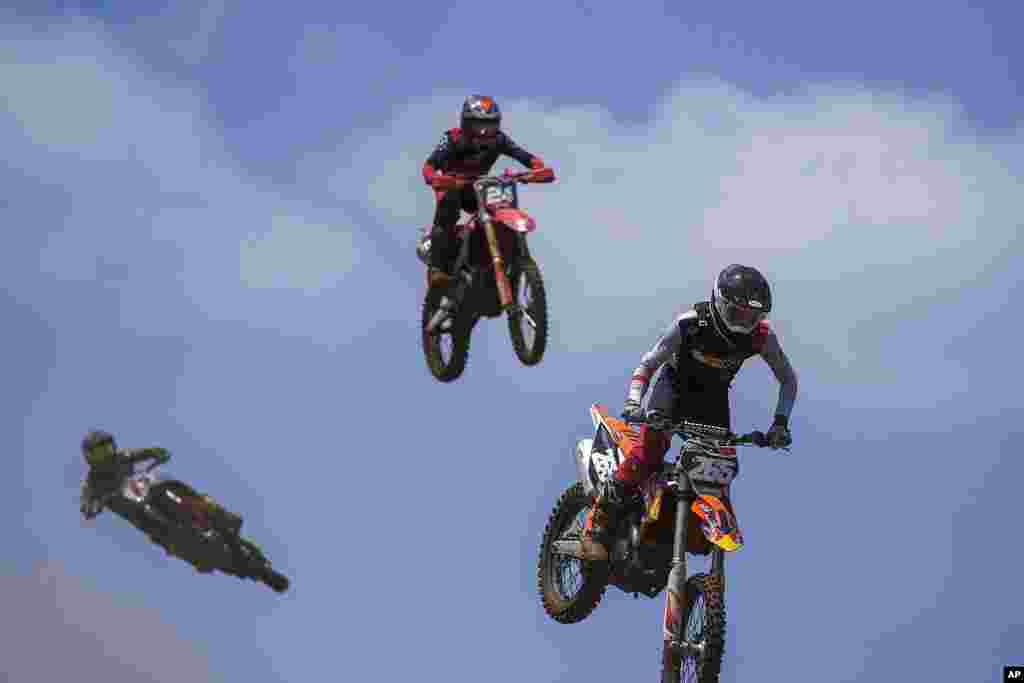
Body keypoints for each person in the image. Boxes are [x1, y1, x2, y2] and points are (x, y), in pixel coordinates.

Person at [582, 264, 799, 560]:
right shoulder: (691, 322)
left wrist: (780, 424)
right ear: (719, 302)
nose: (743, 323)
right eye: (738, 313)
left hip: (712, 399)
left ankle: (688, 535)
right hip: (672, 389)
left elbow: (788, 379)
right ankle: (597, 524)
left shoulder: (761, 337)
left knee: (720, 473)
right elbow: (649, 363)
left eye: (752, 317)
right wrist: (634, 401)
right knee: (648, 455)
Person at [421, 94, 554, 289]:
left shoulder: (499, 139)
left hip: (480, 186)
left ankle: (499, 256)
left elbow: (526, 157)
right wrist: (434, 178)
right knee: (448, 207)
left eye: (490, 126)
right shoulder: (452, 138)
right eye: (479, 126)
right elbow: (430, 165)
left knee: (500, 206)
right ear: (466, 123)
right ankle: (437, 269)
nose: (484, 132)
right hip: (452, 185)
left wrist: (538, 170)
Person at [79, 430, 246, 571]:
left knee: (174, 489)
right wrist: (94, 506)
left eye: (108, 448)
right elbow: (85, 506)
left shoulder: (123, 457)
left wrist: (156, 452)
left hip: (149, 491)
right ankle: (192, 554)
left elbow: (144, 453)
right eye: (101, 452)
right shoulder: (91, 483)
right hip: (135, 511)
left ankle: (219, 513)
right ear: (90, 456)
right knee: (159, 535)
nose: (107, 453)